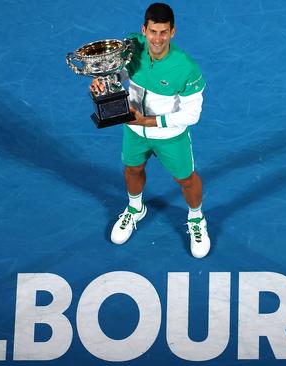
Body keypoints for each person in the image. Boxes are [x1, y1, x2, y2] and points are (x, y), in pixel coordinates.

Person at [91, 3, 210, 258]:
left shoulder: (187, 68)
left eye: (164, 32)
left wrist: (147, 122)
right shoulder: (131, 46)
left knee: (186, 179)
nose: (157, 39)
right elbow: (120, 72)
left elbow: (192, 115)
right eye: (153, 31)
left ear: (173, 32)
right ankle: (135, 208)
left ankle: (197, 219)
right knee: (133, 168)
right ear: (143, 30)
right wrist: (105, 82)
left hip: (170, 136)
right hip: (134, 131)